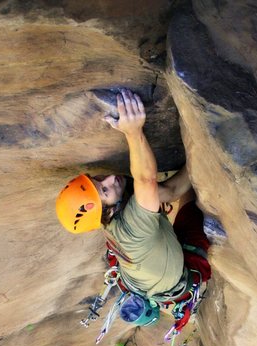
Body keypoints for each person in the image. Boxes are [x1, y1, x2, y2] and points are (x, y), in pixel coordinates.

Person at [56, 89, 211, 309]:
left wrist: (198, 153)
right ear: (108, 211)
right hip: (176, 279)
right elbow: (147, 181)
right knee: (193, 208)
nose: (110, 178)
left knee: (177, 188)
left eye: (98, 180)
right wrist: (133, 132)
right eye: (105, 190)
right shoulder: (132, 230)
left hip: (145, 273)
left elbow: (170, 190)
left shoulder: (109, 215)